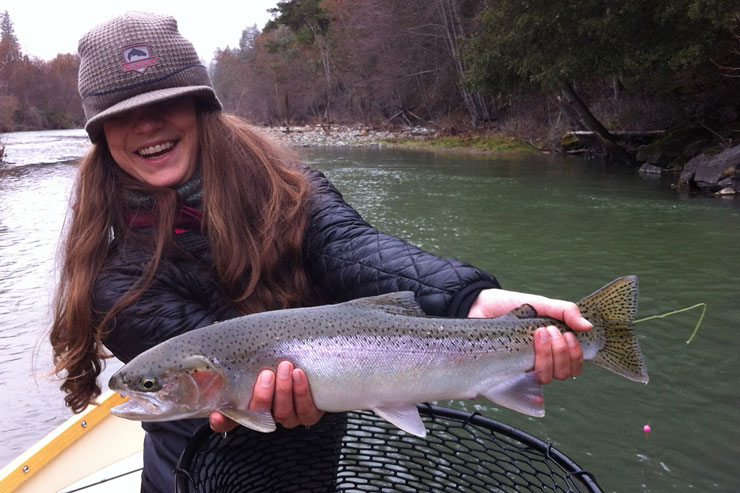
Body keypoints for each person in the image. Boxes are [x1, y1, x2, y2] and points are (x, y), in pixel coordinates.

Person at [50, 11, 590, 492]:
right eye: (122, 114)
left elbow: (354, 250)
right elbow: (222, 359)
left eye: (167, 101)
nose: (148, 124)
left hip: (312, 461)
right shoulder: (113, 282)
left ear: (199, 107)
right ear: (101, 136)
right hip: (193, 472)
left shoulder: (289, 189)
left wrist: (468, 301)